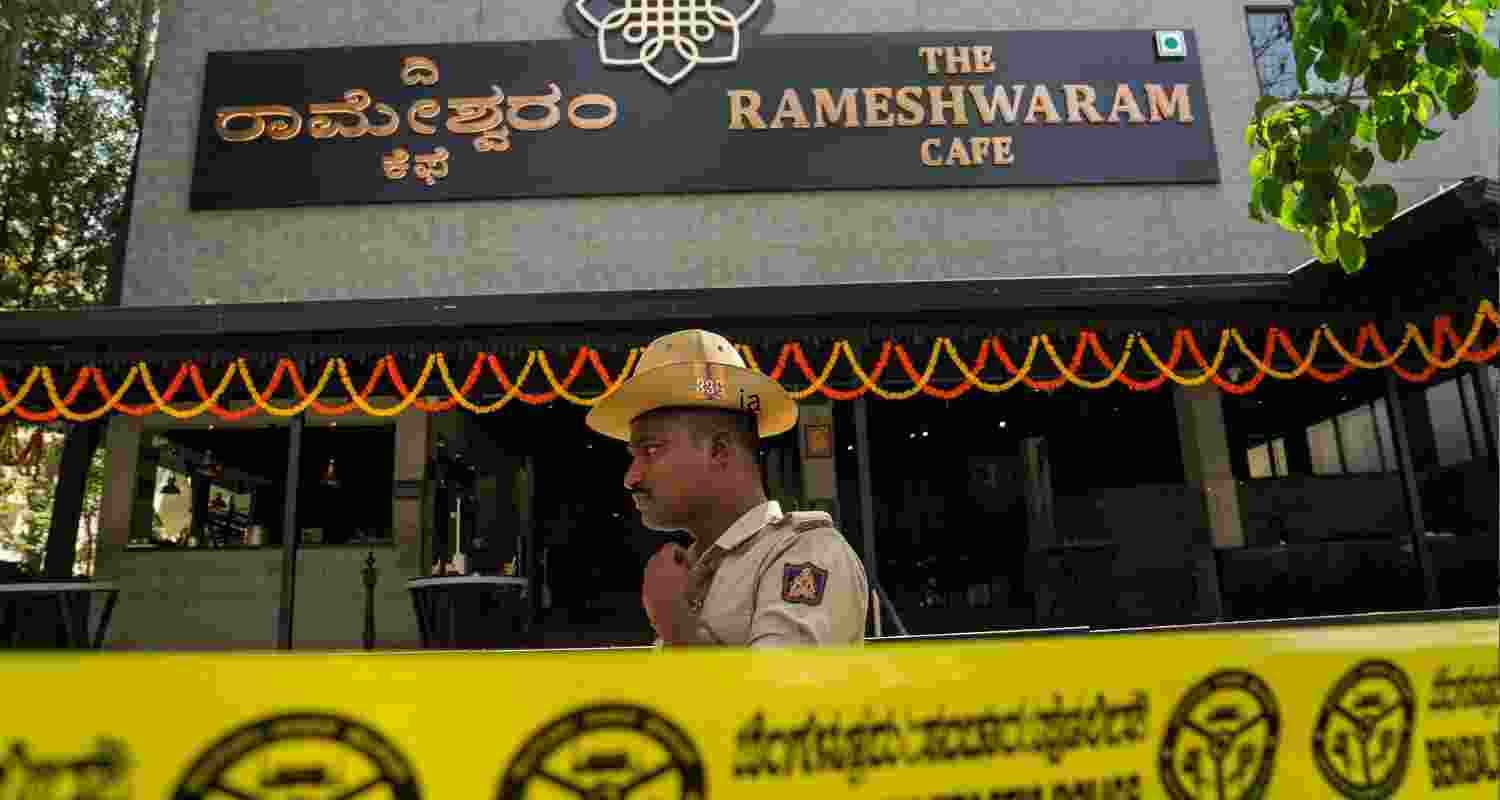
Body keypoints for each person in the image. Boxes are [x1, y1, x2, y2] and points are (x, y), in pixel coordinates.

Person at [585, 329, 869, 647]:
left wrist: (677, 624)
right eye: (634, 456)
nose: (631, 478)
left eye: (651, 450)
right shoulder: (689, 571)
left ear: (719, 450)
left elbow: (779, 695)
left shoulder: (809, 553)